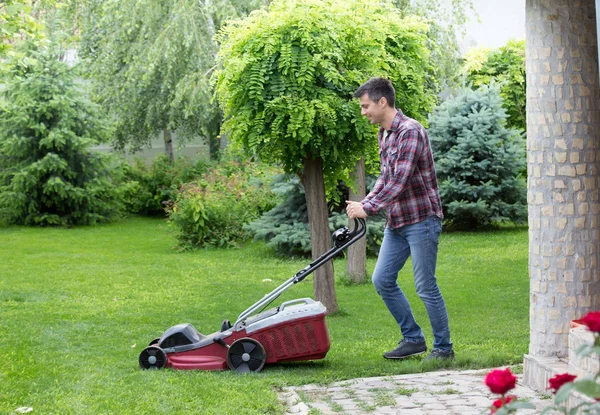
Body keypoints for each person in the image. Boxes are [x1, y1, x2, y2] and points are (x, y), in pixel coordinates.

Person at [346, 77, 453, 361]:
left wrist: (368, 209)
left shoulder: (410, 131)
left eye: (366, 106)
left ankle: (444, 348)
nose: (363, 112)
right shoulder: (385, 134)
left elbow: (401, 181)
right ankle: (413, 338)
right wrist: (366, 202)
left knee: (425, 285)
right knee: (382, 279)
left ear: (383, 102)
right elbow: (385, 178)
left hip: (422, 219)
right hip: (398, 221)